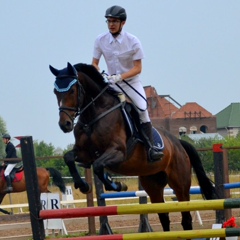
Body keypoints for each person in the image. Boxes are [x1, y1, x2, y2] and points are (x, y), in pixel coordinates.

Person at [92, 5, 164, 162]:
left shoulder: (133, 41)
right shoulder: (100, 40)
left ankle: (151, 147)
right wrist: (100, 72)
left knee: (142, 109)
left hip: (131, 83)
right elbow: (94, 63)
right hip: (111, 83)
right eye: (109, 21)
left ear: (122, 23)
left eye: (114, 21)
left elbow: (138, 68)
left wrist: (120, 77)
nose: (111, 24)